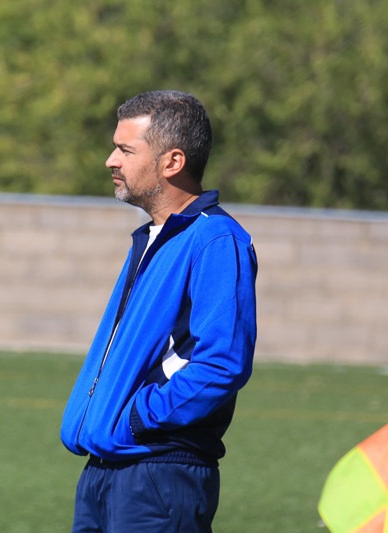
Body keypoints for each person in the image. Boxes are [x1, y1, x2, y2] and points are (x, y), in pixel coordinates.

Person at [59, 90, 258, 532]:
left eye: (125, 150)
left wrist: (137, 420)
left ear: (172, 162)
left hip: (158, 473)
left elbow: (222, 363)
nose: (111, 160)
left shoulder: (216, 240)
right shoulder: (154, 237)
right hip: (105, 468)